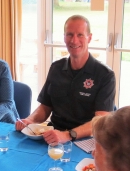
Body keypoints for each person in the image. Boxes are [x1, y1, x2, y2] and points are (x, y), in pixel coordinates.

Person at [15, 15, 116, 144]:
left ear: (89, 38)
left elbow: (100, 121)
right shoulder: (56, 68)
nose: (74, 40)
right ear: (64, 37)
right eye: (69, 34)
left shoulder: (105, 75)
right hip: (54, 136)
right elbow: (45, 106)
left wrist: (68, 135)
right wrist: (30, 120)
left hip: (86, 140)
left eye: (80, 35)